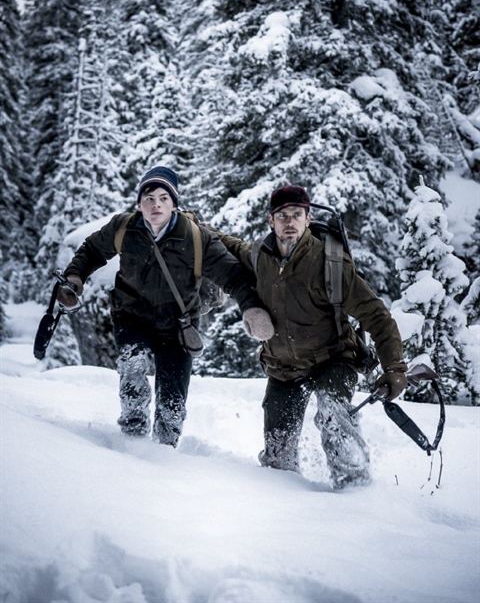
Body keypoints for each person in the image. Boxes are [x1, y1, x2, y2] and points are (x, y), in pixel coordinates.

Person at [57, 165, 273, 445]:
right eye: (149, 198)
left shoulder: (196, 237)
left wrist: (251, 307)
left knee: (172, 400)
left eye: (163, 198)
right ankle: (132, 439)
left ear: (174, 204)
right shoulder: (124, 227)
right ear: (139, 204)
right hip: (132, 316)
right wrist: (75, 277)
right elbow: (93, 250)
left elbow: (231, 275)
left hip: (178, 324)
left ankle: (164, 453)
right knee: (133, 365)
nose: (155, 204)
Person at [215, 185, 407, 489]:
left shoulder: (330, 264)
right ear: (271, 221)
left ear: (307, 218)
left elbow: (376, 315)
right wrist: (194, 226)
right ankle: (287, 506)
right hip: (283, 367)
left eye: (296, 215)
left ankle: (356, 491)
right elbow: (225, 244)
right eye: (282, 216)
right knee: (278, 458)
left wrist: (394, 369)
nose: (289, 222)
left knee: (333, 414)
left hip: (332, 360)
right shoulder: (258, 256)